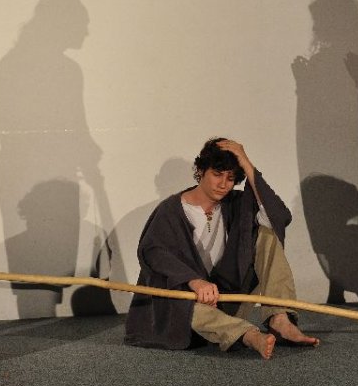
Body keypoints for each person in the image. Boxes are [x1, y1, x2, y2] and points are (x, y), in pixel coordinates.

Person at [125, 138, 319, 360]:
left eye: (231, 178)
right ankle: (247, 334)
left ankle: (280, 319)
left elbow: (279, 217)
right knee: (181, 301)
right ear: (201, 171)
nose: (224, 184)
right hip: (183, 307)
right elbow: (153, 253)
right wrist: (193, 281)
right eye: (217, 174)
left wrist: (247, 164)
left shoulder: (236, 203)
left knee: (268, 234)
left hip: (224, 300)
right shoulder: (171, 210)